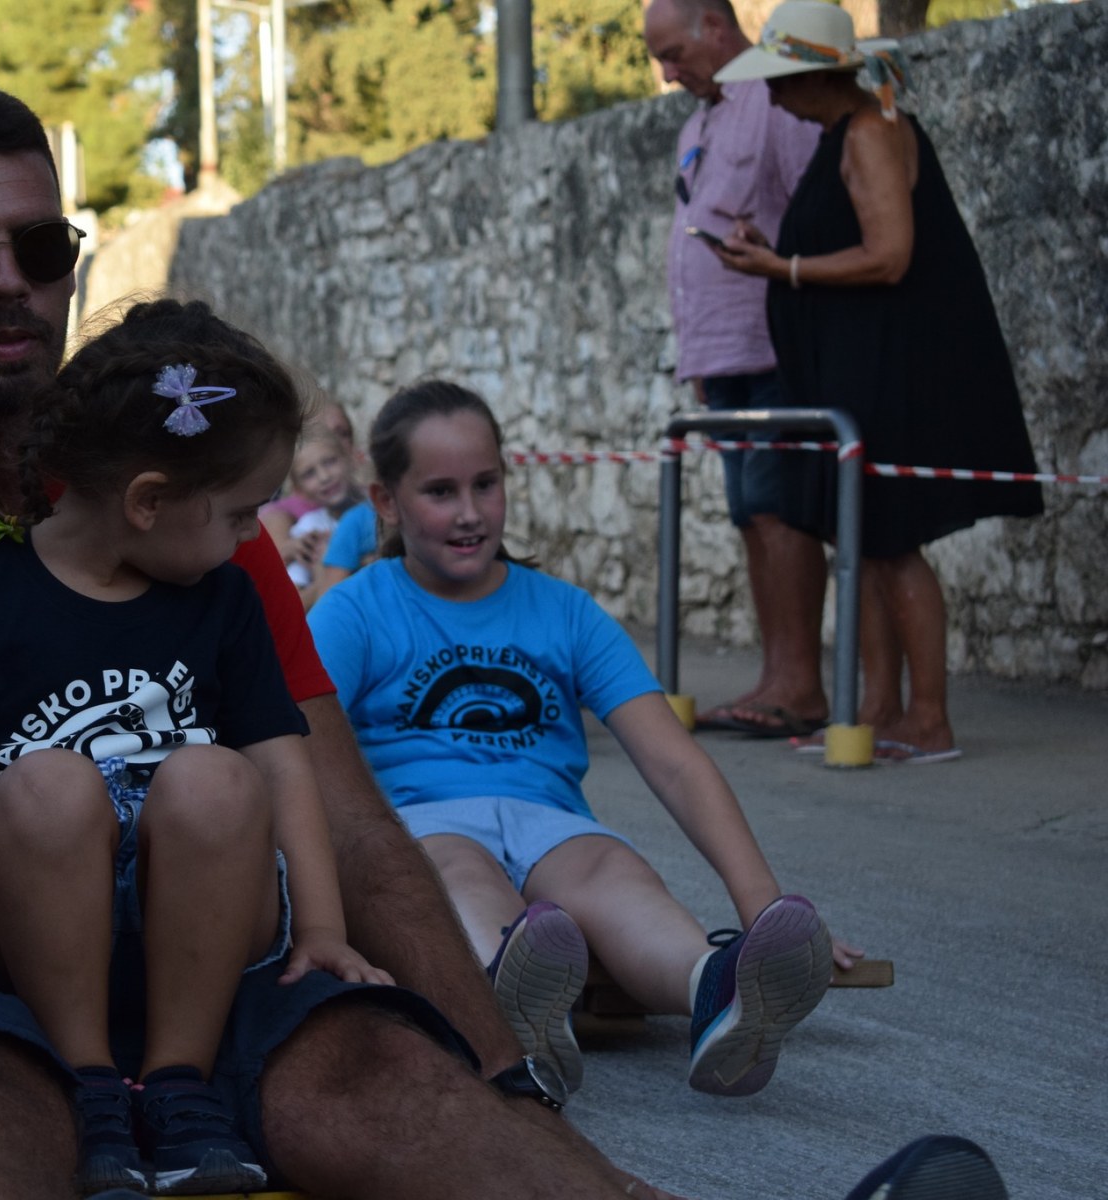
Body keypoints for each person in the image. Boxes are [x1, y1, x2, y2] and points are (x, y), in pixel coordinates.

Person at [0, 80, 998, 1200]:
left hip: (183, 965)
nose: (10, 283)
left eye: (40, 248)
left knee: (381, 1070)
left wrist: (508, 1092)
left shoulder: (182, 518)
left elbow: (352, 828)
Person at [0, 299, 392, 1195]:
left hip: (206, 894)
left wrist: (323, 928)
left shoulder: (224, 600)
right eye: (240, 514)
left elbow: (282, 763)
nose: (251, 538)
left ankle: (180, 1083)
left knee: (216, 776)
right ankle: (88, 1082)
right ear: (148, 501)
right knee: (50, 785)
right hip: (28, 899)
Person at [306, 380, 860, 1097]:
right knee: (458, 876)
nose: (470, 512)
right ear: (386, 501)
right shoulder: (353, 611)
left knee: (612, 874)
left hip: (549, 821)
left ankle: (718, 987)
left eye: (486, 485)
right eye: (440, 492)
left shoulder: (564, 612)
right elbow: (298, 745)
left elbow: (675, 763)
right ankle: (511, 998)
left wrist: (763, 912)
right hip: (423, 819)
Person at [711, 0, 1044, 764]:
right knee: (860, 542)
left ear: (818, 76)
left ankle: (927, 718)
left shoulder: (870, 131)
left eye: (782, 77)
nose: (772, 93)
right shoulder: (842, 136)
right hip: (851, 369)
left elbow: (890, 254)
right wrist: (777, 253)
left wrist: (784, 268)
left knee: (892, 543)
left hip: (887, 370)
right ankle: (876, 710)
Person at [644, 0, 830, 739]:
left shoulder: (778, 103)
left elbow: (817, 213)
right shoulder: (699, 124)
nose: (668, 73)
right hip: (720, 355)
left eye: (674, 53)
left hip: (772, 344)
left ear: (715, 28)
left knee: (781, 511)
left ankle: (800, 685)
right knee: (751, 513)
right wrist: (696, 350)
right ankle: (776, 677)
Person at [259, 424, 364, 606]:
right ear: (299, 489)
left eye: (330, 461)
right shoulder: (310, 531)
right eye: (309, 474)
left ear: (348, 457)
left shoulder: (379, 504)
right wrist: (330, 570)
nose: (324, 477)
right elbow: (295, 599)